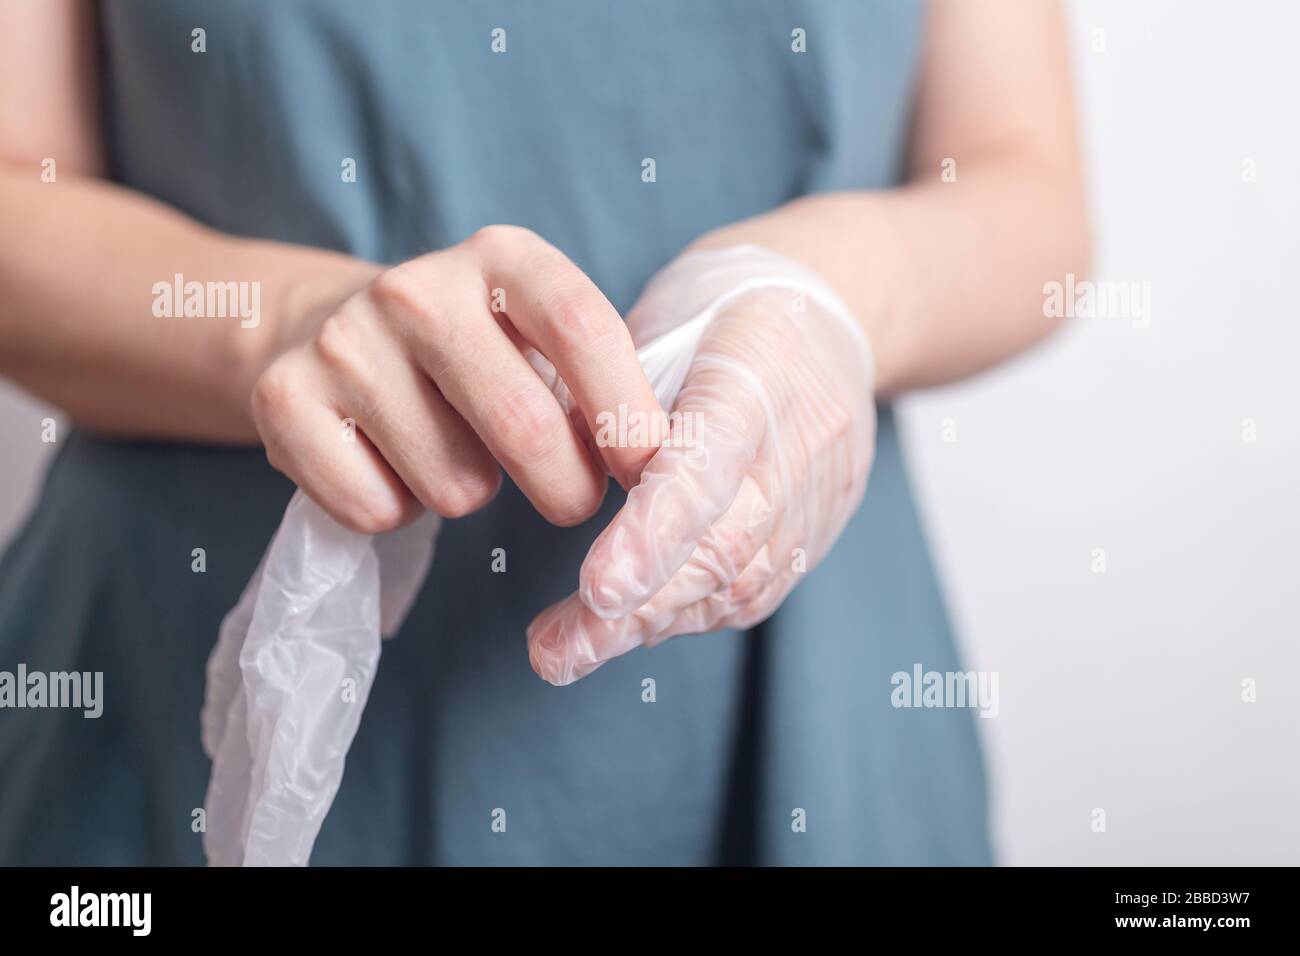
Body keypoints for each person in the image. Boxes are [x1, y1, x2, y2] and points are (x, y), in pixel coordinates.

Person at [0, 0, 1087, 865]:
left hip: (793, 680)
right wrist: (292, 326)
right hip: (173, 654)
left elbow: (1026, 184)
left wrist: (815, 293)